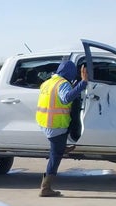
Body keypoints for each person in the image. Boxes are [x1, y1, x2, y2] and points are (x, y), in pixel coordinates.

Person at [35, 60, 88, 197]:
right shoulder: (63, 84)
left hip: (44, 122)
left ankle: (61, 146)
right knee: (55, 156)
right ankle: (45, 188)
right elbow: (65, 99)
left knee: (57, 147)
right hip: (56, 124)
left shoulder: (47, 83)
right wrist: (83, 83)